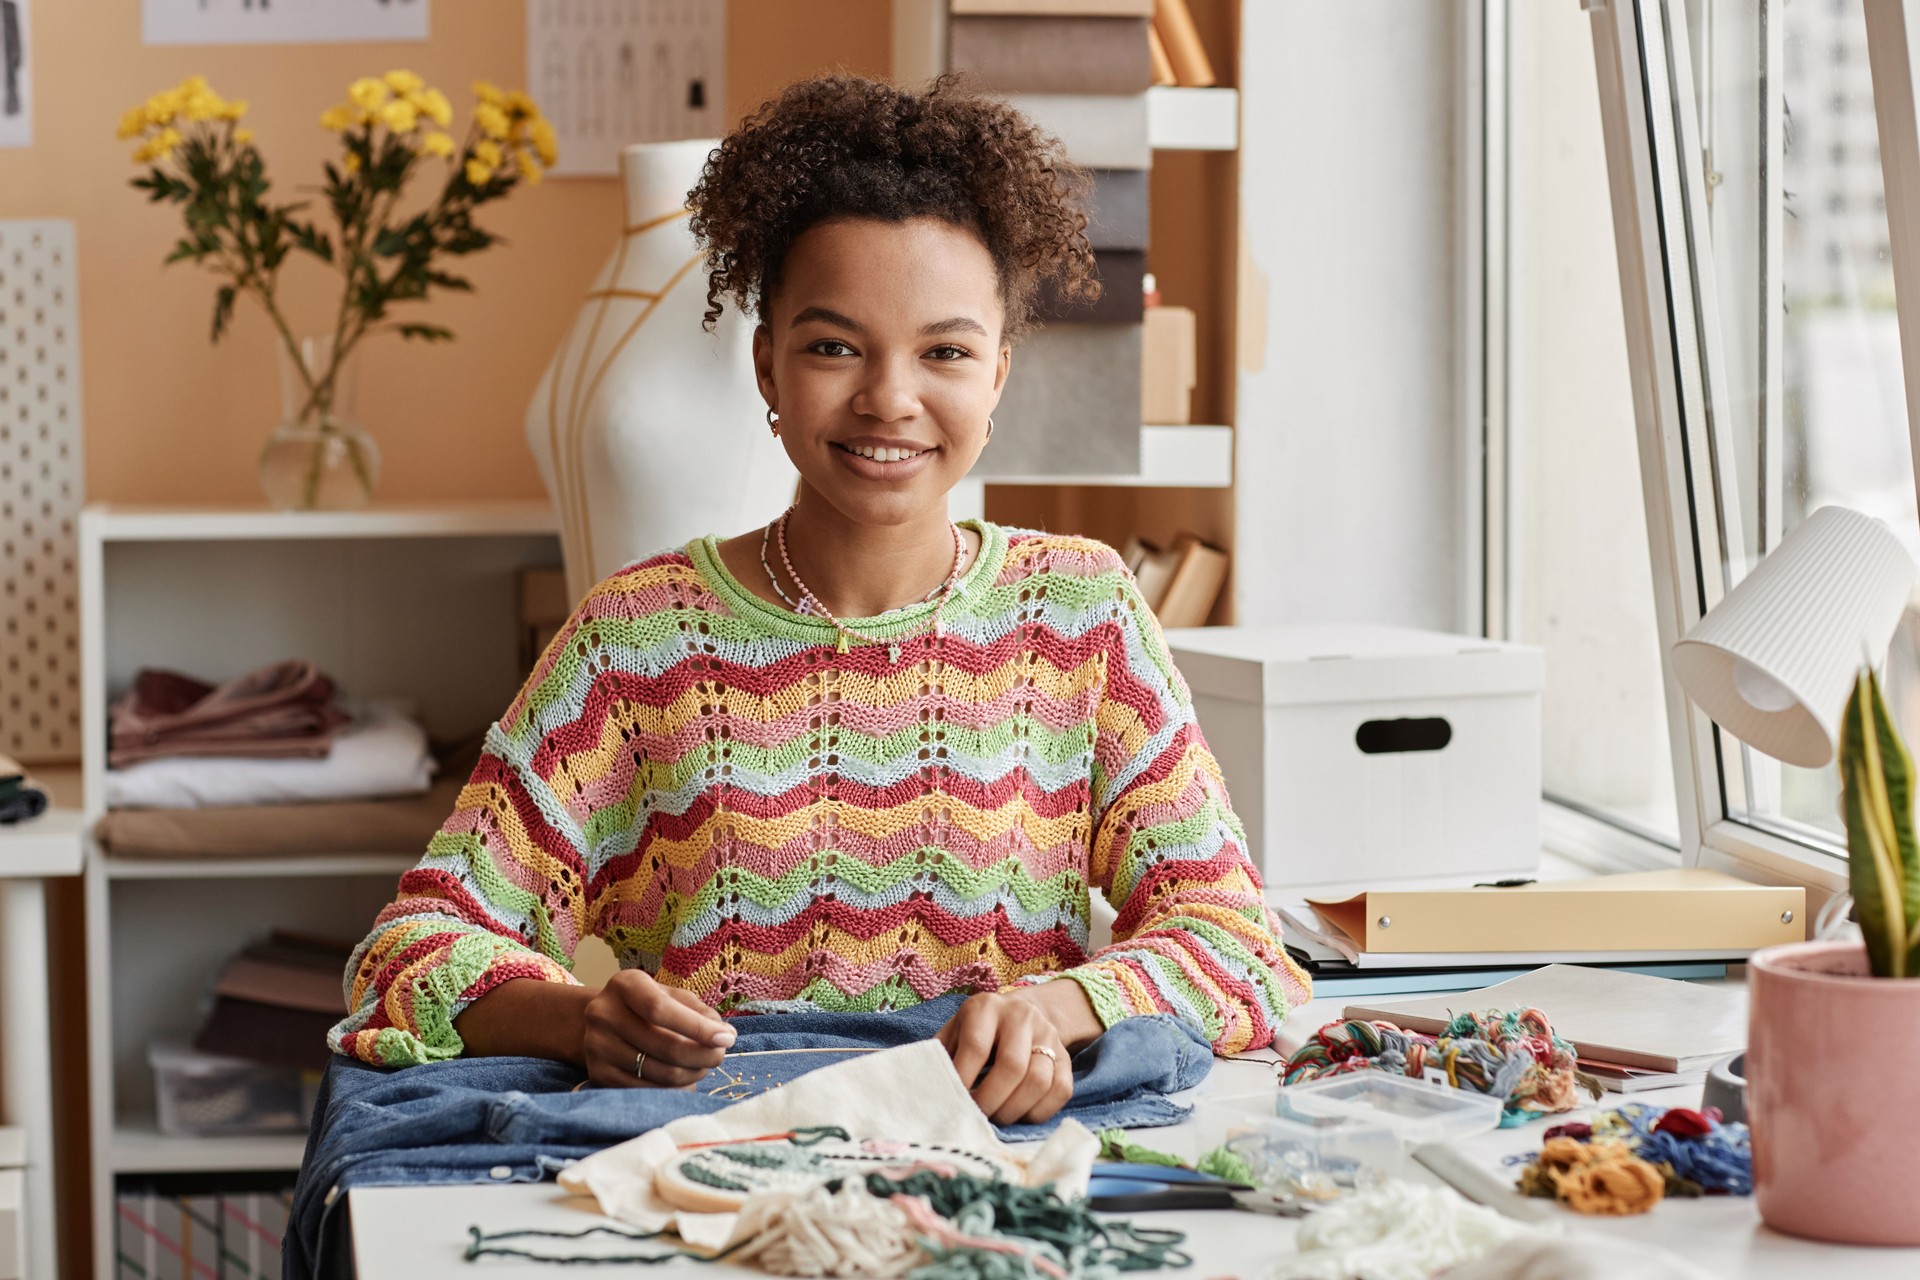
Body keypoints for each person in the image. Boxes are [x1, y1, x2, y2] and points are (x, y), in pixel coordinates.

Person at [330, 73, 1310, 1126]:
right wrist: (575, 1017)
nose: (890, 396)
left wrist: (1059, 1004)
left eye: (945, 351)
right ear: (767, 363)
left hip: (1013, 1173)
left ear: (998, 377)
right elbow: (413, 944)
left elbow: (1233, 938)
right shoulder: (636, 639)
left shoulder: (1083, 615)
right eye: (834, 345)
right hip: (715, 1175)